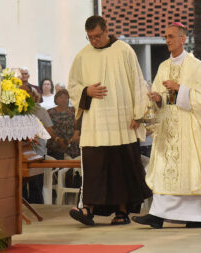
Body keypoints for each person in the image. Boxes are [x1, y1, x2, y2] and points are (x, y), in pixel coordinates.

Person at [67, 15, 152, 226]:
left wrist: (138, 114)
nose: (94, 40)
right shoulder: (82, 56)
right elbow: (73, 86)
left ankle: (122, 212)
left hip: (121, 121)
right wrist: (86, 90)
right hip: (95, 124)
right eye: (90, 37)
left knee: (119, 167)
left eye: (97, 36)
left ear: (107, 30)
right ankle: (88, 209)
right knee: (95, 168)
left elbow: (137, 82)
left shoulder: (124, 50)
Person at [132, 22, 201, 229]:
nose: (167, 40)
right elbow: (160, 101)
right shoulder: (163, 67)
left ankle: (195, 216)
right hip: (168, 128)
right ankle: (157, 214)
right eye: (165, 36)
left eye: (171, 36)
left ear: (182, 39)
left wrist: (180, 89)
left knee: (188, 171)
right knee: (163, 168)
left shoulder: (196, 66)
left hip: (188, 127)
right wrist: (158, 98)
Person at [47, 89, 80, 160]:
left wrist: (71, 139)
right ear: (56, 99)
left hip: (72, 144)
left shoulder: (73, 110)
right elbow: (47, 128)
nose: (64, 99)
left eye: (66, 97)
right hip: (55, 145)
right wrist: (57, 139)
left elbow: (77, 126)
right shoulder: (49, 112)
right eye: (61, 97)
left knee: (72, 169)